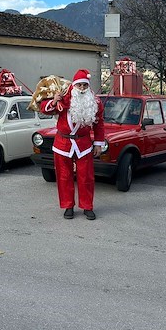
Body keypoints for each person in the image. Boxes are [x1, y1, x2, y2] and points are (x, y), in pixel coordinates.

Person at [40, 69, 105, 220]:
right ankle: (68, 206)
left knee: (86, 177)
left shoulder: (94, 102)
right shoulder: (64, 97)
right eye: (79, 85)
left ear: (88, 86)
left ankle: (87, 207)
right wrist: (54, 100)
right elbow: (44, 109)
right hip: (63, 143)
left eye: (84, 85)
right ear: (74, 85)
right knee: (64, 177)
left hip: (84, 144)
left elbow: (99, 124)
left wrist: (98, 144)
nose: (82, 89)